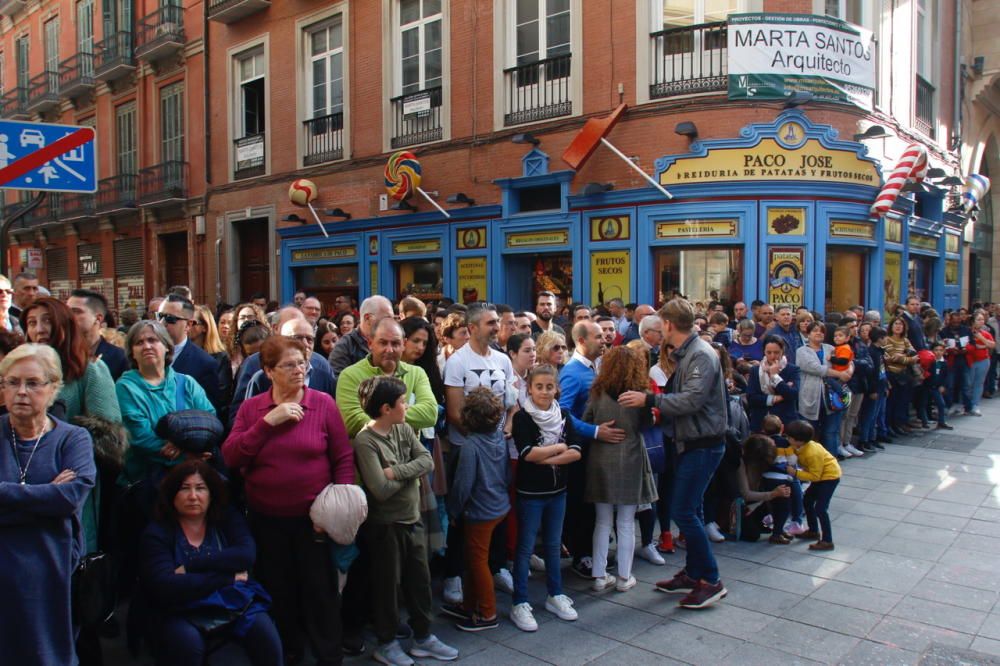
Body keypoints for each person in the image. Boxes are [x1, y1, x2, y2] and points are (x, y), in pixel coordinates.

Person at [222, 336, 353, 665]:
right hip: (266, 519)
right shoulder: (254, 409)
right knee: (279, 591)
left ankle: (328, 655)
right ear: (268, 371)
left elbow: (343, 458)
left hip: (314, 520)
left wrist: (341, 506)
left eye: (302, 363)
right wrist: (268, 423)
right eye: (289, 365)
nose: (299, 370)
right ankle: (288, 652)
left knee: (320, 592)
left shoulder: (322, 403)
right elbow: (231, 456)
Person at [619, 298, 729, 609]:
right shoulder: (690, 353)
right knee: (691, 511)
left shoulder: (701, 356)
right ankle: (694, 573)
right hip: (692, 441)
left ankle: (710, 579)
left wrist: (649, 400)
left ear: (668, 325)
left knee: (683, 512)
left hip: (702, 444)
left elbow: (691, 401)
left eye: (659, 325)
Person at [0, 344, 97, 666]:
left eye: (33, 383)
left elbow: (71, 497)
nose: (21, 392)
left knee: (47, 654)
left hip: (51, 561)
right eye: (12, 382)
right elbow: (56, 500)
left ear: (53, 387)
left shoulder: (73, 438)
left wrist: (8, 496)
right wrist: (45, 495)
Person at [352, 377, 458, 664]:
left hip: (413, 518)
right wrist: (410, 475)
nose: (407, 406)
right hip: (386, 526)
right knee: (387, 586)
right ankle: (386, 643)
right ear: (386, 408)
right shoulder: (365, 440)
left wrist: (396, 472)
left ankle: (423, 636)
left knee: (420, 582)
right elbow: (380, 490)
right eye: (402, 402)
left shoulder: (403, 427)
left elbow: (428, 461)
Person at [138, 461, 282, 666]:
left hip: (234, 602)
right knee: (186, 644)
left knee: (267, 638)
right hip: (181, 608)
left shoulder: (227, 518)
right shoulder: (158, 533)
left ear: (211, 493)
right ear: (172, 495)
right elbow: (165, 584)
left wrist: (190, 567)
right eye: (185, 488)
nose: (193, 496)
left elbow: (246, 555)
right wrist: (226, 578)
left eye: (200, 488)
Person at [507, 365, 581, 634]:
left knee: (552, 545)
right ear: (530, 388)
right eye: (539, 387)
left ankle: (555, 593)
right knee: (525, 548)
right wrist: (559, 448)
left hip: (557, 491)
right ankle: (520, 602)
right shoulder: (523, 417)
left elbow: (576, 451)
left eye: (550, 387)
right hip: (531, 494)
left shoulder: (563, 413)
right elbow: (527, 453)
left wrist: (548, 456)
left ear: (556, 388)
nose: (545, 392)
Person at [584, 346, 658, 594]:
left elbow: (587, 420)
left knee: (602, 521)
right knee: (626, 522)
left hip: (600, 459)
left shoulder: (598, 392)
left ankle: (599, 575)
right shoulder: (640, 395)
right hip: (631, 458)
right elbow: (647, 424)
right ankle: (625, 576)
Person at [559, 321, 625, 579]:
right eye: (598, 336)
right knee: (581, 504)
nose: (605, 340)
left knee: (593, 502)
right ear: (582, 341)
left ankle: (591, 550)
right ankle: (582, 555)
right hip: (581, 450)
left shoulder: (598, 366)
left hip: (597, 450)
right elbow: (562, 414)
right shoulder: (572, 372)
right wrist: (595, 431)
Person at [117, 320, 216, 486]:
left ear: (167, 347)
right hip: (149, 481)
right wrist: (187, 455)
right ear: (132, 352)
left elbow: (210, 419)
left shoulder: (187, 383)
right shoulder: (125, 388)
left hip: (192, 477)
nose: (147, 346)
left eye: (153, 340)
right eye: (139, 343)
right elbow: (140, 437)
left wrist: (192, 448)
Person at [446, 387, 510, 632]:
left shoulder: (470, 446)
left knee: (476, 562)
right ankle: (469, 604)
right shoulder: (499, 438)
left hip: (479, 512)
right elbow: (505, 475)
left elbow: (463, 485)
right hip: (499, 506)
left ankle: (487, 612)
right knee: (476, 559)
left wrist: (453, 510)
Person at [335, 318, 438, 440]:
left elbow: (430, 414)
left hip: (409, 457)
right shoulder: (350, 375)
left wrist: (378, 417)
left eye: (395, 343)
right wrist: (401, 417)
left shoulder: (416, 373)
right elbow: (352, 422)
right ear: (370, 343)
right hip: (366, 456)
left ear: (403, 344)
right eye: (383, 343)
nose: (389, 350)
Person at [230, 313, 336, 426]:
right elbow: (243, 425)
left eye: (309, 339)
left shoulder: (324, 375)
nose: (305, 344)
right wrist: (268, 421)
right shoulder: (259, 377)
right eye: (297, 338)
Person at [158, 295, 225, 412]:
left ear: (188, 325)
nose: (162, 323)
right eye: (159, 316)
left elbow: (209, 413)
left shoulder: (205, 363)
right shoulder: (145, 354)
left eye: (170, 318)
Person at [783, 420, 841, 551]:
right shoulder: (798, 446)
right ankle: (813, 531)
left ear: (798, 441)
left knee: (821, 509)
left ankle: (827, 541)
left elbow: (815, 476)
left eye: (789, 437)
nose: (787, 439)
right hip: (820, 477)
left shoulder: (812, 452)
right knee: (808, 501)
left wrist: (796, 473)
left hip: (829, 478)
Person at [796, 322, 852, 457]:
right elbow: (815, 368)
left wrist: (849, 371)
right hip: (810, 396)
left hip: (832, 397)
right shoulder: (802, 351)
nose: (819, 333)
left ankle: (831, 462)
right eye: (815, 331)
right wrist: (839, 374)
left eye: (821, 331)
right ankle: (809, 460)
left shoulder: (831, 348)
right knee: (809, 431)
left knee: (831, 431)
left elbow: (848, 360)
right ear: (808, 334)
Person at [328, 295, 395, 383]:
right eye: (387, 318)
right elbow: (338, 382)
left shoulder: (395, 342)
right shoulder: (344, 346)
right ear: (367, 318)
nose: (391, 323)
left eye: (393, 319)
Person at [67, 289, 129, 382]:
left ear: (98, 318)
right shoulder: (60, 353)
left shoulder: (119, 358)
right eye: (67, 311)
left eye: (76, 311)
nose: (69, 316)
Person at [746, 337, 800, 432]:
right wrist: (775, 398)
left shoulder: (792, 370)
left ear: (782, 352)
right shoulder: (755, 370)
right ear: (764, 352)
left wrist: (775, 376)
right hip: (760, 421)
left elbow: (793, 394)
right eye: (769, 352)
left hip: (785, 422)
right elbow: (751, 398)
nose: (772, 356)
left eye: (776, 352)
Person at [190, 304, 234, 414]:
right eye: (185, 322)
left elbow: (222, 396)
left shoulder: (221, 358)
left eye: (193, 323)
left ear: (205, 327)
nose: (187, 326)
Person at [883, 316, 919, 436]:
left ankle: (898, 424)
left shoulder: (905, 340)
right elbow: (892, 357)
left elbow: (915, 355)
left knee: (901, 402)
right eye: (895, 324)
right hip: (892, 375)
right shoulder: (887, 340)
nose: (898, 326)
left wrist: (902, 357)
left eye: (901, 324)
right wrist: (906, 357)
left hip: (904, 376)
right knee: (891, 403)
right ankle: (888, 426)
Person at [963, 309, 995, 416]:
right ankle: (966, 404)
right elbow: (969, 346)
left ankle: (975, 405)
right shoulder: (966, 331)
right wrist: (982, 345)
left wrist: (981, 338)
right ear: (973, 321)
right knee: (968, 384)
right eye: (979, 319)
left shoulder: (985, 333)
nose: (982, 321)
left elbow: (992, 345)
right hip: (970, 361)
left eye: (982, 319)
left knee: (978, 383)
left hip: (983, 360)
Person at [506, 334, 536, 405]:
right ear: (512, 354)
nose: (533, 354)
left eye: (534, 349)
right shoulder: (506, 379)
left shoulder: (537, 376)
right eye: (527, 351)